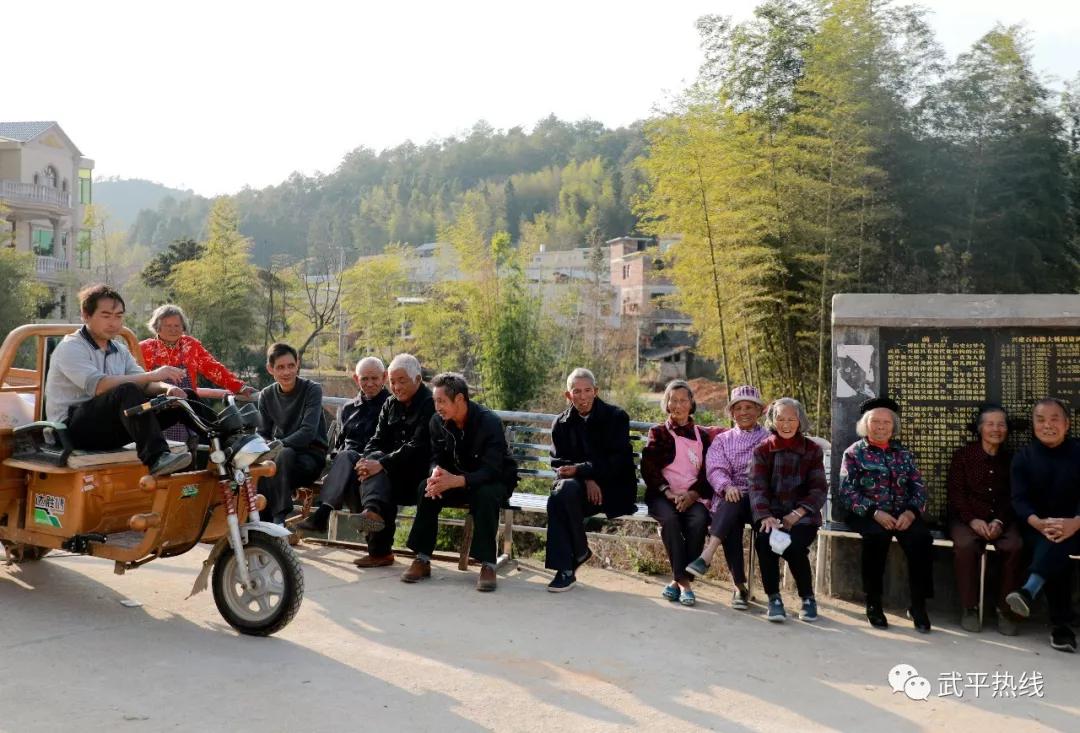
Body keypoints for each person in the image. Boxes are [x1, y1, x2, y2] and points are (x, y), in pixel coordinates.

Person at [44, 283, 194, 476]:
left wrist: (167, 389)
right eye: (106, 316)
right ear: (86, 315)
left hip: (111, 427)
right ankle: (157, 458)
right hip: (72, 431)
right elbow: (99, 386)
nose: (113, 323)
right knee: (128, 390)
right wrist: (154, 374)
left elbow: (146, 384)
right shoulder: (71, 347)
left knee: (182, 398)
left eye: (118, 316)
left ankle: (226, 443)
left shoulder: (119, 349)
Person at [402, 373, 517, 592]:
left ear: (460, 400)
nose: (437, 407)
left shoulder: (489, 422)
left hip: (492, 480)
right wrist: (435, 472)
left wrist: (457, 480)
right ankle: (422, 558)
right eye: (435, 401)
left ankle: (488, 565)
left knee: (485, 494)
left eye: (442, 401)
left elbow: (492, 469)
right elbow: (435, 456)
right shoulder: (437, 421)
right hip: (455, 479)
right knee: (426, 488)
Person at [839, 397, 934, 632]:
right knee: (876, 538)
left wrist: (911, 513)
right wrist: (874, 512)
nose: (881, 427)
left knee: (921, 539)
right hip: (867, 513)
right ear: (865, 424)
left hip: (902, 513)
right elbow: (847, 491)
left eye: (886, 422)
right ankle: (873, 603)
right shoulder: (853, 453)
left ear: (893, 426)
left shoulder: (904, 454)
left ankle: (918, 605)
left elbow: (918, 488)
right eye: (875, 422)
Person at [544, 368, 638, 592]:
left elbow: (617, 462)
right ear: (568, 395)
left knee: (560, 497)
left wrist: (584, 472)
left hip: (612, 489)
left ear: (596, 391)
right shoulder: (561, 423)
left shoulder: (616, 417)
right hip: (577, 490)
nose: (583, 396)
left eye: (587, 390)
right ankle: (574, 557)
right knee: (561, 493)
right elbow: (559, 463)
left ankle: (569, 564)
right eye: (576, 391)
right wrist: (586, 477)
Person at [1005, 398, 1080, 653]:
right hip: (1036, 526)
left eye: (1054, 419)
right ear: (1033, 425)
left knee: (1059, 540)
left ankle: (1029, 590)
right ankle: (1062, 628)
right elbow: (1019, 499)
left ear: (1067, 424)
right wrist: (1039, 523)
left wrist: (1075, 522)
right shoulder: (1024, 457)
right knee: (1055, 543)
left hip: (1078, 524)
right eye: (1040, 420)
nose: (1048, 425)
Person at [685, 384, 769, 611]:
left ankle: (707, 555)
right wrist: (726, 486)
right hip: (730, 497)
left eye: (749, 407)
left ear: (759, 410)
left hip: (760, 501)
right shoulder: (723, 440)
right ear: (731, 413)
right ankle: (739, 587)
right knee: (732, 510)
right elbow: (715, 469)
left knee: (736, 507)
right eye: (738, 408)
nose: (744, 412)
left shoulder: (769, 439)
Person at [350, 353, 435, 568]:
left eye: (402, 381)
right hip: (392, 472)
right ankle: (376, 536)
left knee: (378, 472)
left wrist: (381, 464)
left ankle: (378, 538)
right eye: (393, 382)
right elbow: (376, 440)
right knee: (370, 470)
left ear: (417, 380)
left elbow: (418, 446)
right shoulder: (390, 404)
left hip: (420, 475)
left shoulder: (430, 404)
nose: (396, 387)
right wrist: (365, 460)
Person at [947, 404, 1023, 635]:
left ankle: (1005, 609)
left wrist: (999, 521)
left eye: (1001, 424)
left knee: (1015, 546)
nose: (996, 429)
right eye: (990, 424)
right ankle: (970, 607)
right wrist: (973, 520)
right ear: (980, 428)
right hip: (965, 518)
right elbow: (956, 494)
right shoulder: (963, 456)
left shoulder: (1013, 460)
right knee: (966, 545)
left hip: (1002, 519)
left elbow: (1015, 496)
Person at [748, 398, 826, 623]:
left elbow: (819, 487)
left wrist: (798, 513)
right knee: (765, 542)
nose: (786, 424)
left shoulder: (812, 450)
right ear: (772, 421)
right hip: (770, 515)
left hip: (803, 516)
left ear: (800, 420)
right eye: (780, 419)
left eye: (791, 419)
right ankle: (774, 599)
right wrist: (766, 516)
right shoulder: (762, 450)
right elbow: (757, 486)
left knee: (794, 545)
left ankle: (807, 598)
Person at [294, 357, 390, 534]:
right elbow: (339, 445)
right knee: (344, 458)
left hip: (374, 466)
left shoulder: (391, 406)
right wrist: (335, 469)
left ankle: (322, 515)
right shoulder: (347, 408)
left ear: (384, 377)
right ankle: (362, 526)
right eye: (364, 379)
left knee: (349, 464)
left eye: (375, 378)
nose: (369, 384)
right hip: (348, 464)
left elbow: (390, 444)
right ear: (356, 379)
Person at [640, 380, 714, 606]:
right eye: (673, 400)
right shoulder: (659, 432)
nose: (678, 405)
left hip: (693, 496)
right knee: (670, 520)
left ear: (691, 404)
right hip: (663, 496)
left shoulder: (703, 435)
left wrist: (692, 495)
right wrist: (668, 492)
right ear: (667, 404)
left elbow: (709, 472)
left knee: (699, 519)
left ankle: (676, 583)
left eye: (683, 400)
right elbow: (648, 467)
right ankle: (685, 583)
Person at [256, 343, 328, 525]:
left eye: (290, 366)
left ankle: (276, 519)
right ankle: (269, 522)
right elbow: (262, 433)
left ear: (298, 364)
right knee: (263, 466)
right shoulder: (266, 395)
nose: (287, 372)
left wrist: (276, 446)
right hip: (282, 457)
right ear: (270, 369)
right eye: (280, 367)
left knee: (279, 459)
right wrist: (270, 448)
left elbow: (308, 432)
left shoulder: (312, 389)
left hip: (310, 456)